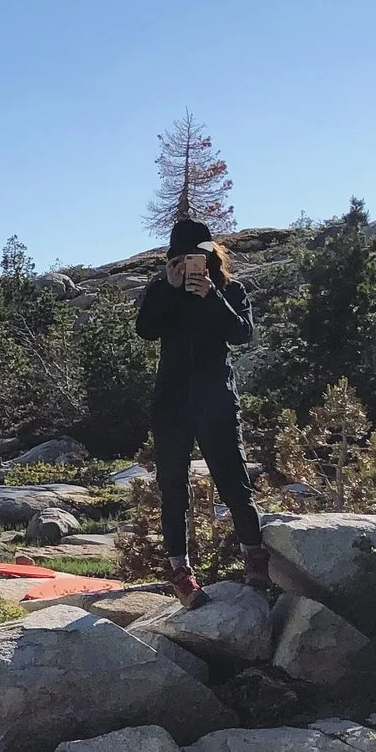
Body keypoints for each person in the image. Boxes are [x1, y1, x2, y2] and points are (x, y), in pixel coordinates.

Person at [134, 217, 269, 600]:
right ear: (173, 260)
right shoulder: (162, 289)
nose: (194, 263)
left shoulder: (231, 290)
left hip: (217, 401)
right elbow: (145, 330)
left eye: (200, 256)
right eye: (184, 258)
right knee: (173, 488)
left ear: (211, 255)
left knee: (234, 482)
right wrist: (169, 289)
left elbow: (242, 333)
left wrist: (211, 296)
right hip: (171, 405)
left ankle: (254, 559)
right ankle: (180, 573)